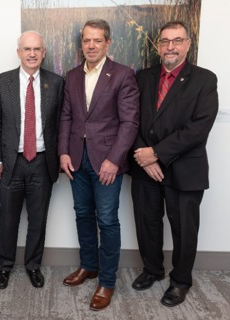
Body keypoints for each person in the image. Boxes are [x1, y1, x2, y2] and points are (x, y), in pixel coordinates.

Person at [129, 20, 218, 307]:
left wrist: (157, 153)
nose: (170, 46)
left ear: (188, 44)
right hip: (144, 169)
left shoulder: (204, 79)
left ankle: (180, 281)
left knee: (184, 229)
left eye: (177, 40)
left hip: (184, 169)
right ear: (158, 45)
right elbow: (130, 121)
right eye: (165, 41)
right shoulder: (142, 77)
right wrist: (143, 156)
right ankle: (152, 270)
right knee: (147, 223)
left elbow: (199, 127)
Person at [58, 19, 139, 311]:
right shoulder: (72, 76)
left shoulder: (122, 75)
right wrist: (63, 153)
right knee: (82, 214)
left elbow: (130, 122)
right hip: (77, 160)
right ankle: (88, 266)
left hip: (107, 163)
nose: (91, 46)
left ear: (107, 43)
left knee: (106, 220)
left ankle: (106, 281)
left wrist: (114, 159)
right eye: (86, 41)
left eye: (97, 41)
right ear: (82, 44)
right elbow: (66, 116)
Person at [0, 31, 64, 290]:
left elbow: (62, 124)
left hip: (43, 163)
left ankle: (33, 265)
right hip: (10, 163)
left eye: (37, 49)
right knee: (7, 219)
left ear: (44, 52)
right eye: (27, 49)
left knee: (38, 219)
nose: (32, 54)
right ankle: (4, 266)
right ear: (18, 52)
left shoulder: (56, 83)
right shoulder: (1, 82)